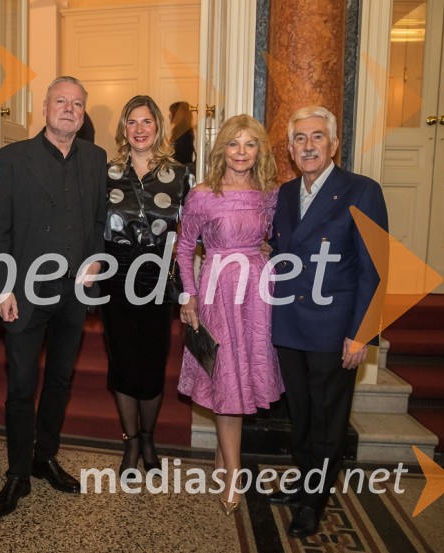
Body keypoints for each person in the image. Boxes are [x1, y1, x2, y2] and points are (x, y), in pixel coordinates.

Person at [0, 76, 107, 517]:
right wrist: (1, 287)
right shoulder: (12, 158)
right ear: (44, 108)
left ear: (83, 112)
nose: (69, 109)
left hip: (74, 292)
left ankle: (45, 458)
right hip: (24, 293)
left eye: (77, 103)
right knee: (21, 386)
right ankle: (17, 473)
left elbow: (99, 221)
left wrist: (96, 261)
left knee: (60, 379)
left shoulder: (96, 158)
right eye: (61, 101)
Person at [267, 106, 388, 537]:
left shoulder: (362, 191)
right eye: (299, 138)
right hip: (289, 324)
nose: (308, 145)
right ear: (289, 149)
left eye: (317, 136)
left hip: (334, 329)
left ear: (334, 144)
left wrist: (360, 334)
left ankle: (313, 502)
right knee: (300, 415)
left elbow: (375, 270)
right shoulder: (283, 194)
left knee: (328, 420)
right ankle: (304, 482)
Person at [176, 114, 283, 516]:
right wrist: (188, 296)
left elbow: (273, 237)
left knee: (243, 374)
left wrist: (267, 250)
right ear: (221, 149)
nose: (241, 152)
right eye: (234, 144)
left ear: (260, 151)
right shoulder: (202, 194)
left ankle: (223, 459)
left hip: (257, 293)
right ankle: (234, 474)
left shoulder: (269, 194)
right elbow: (184, 248)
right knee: (226, 378)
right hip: (217, 290)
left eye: (250, 144)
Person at [100, 95, 189, 476]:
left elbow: (193, 233)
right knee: (121, 361)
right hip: (116, 276)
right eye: (132, 122)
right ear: (124, 128)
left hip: (157, 278)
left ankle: (149, 438)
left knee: (152, 364)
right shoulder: (106, 172)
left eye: (147, 121)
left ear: (158, 127)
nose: (139, 129)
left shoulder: (181, 175)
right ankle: (131, 441)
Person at [169, 101, 195, 165]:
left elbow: (179, 156)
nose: (169, 115)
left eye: (171, 112)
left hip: (180, 168)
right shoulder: (186, 130)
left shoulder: (182, 132)